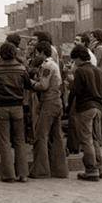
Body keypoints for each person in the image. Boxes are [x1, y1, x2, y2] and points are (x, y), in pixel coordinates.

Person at [0, 42, 31, 183]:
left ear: (1, 53)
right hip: (18, 107)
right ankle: (23, 174)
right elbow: (28, 85)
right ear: (14, 53)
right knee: (20, 141)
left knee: (4, 141)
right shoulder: (21, 69)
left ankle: (8, 174)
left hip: (1, 107)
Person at [29, 41, 68, 179]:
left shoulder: (46, 66)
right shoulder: (54, 65)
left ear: (41, 53)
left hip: (49, 103)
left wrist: (31, 82)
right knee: (56, 137)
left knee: (41, 136)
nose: (35, 56)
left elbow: (43, 85)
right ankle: (59, 169)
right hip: (57, 102)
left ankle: (41, 170)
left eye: (36, 53)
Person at [69, 44, 102, 182]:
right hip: (97, 107)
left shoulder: (80, 71)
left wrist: (71, 84)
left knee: (86, 139)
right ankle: (99, 167)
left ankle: (91, 170)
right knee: (95, 139)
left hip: (85, 107)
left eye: (75, 60)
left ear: (79, 58)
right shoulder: (98, 71)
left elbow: (76, 91)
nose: (74, 63)